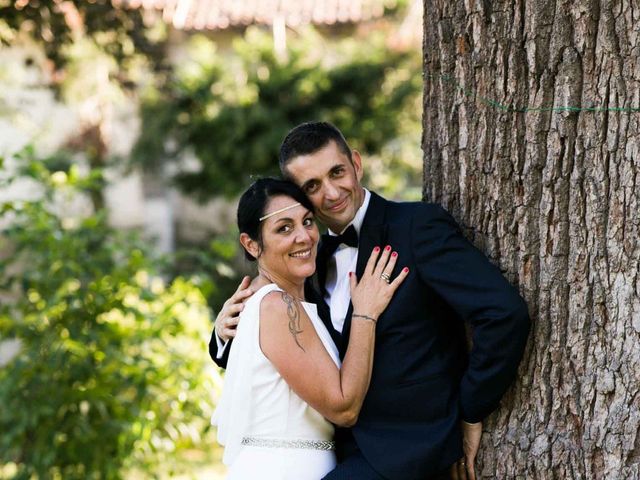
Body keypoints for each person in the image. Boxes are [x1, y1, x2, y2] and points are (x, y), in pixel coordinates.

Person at [211, 122, 531, 479]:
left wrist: (472, 409)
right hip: (341, 455)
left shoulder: (416, 228)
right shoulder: (309, 261)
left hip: (411, 451)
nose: (332, 193)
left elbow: (503, 314)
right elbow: (284, 346)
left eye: (337, 172)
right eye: (313, 186)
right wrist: (223, 333)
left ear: (357, 165)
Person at [212, 177, 409, 479]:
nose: (303, 237)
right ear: (251, 244)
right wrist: (365, 315)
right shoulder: (277, 306)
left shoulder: (295, 301)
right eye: (284, 228)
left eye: (306, 221)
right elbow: (343, 409)